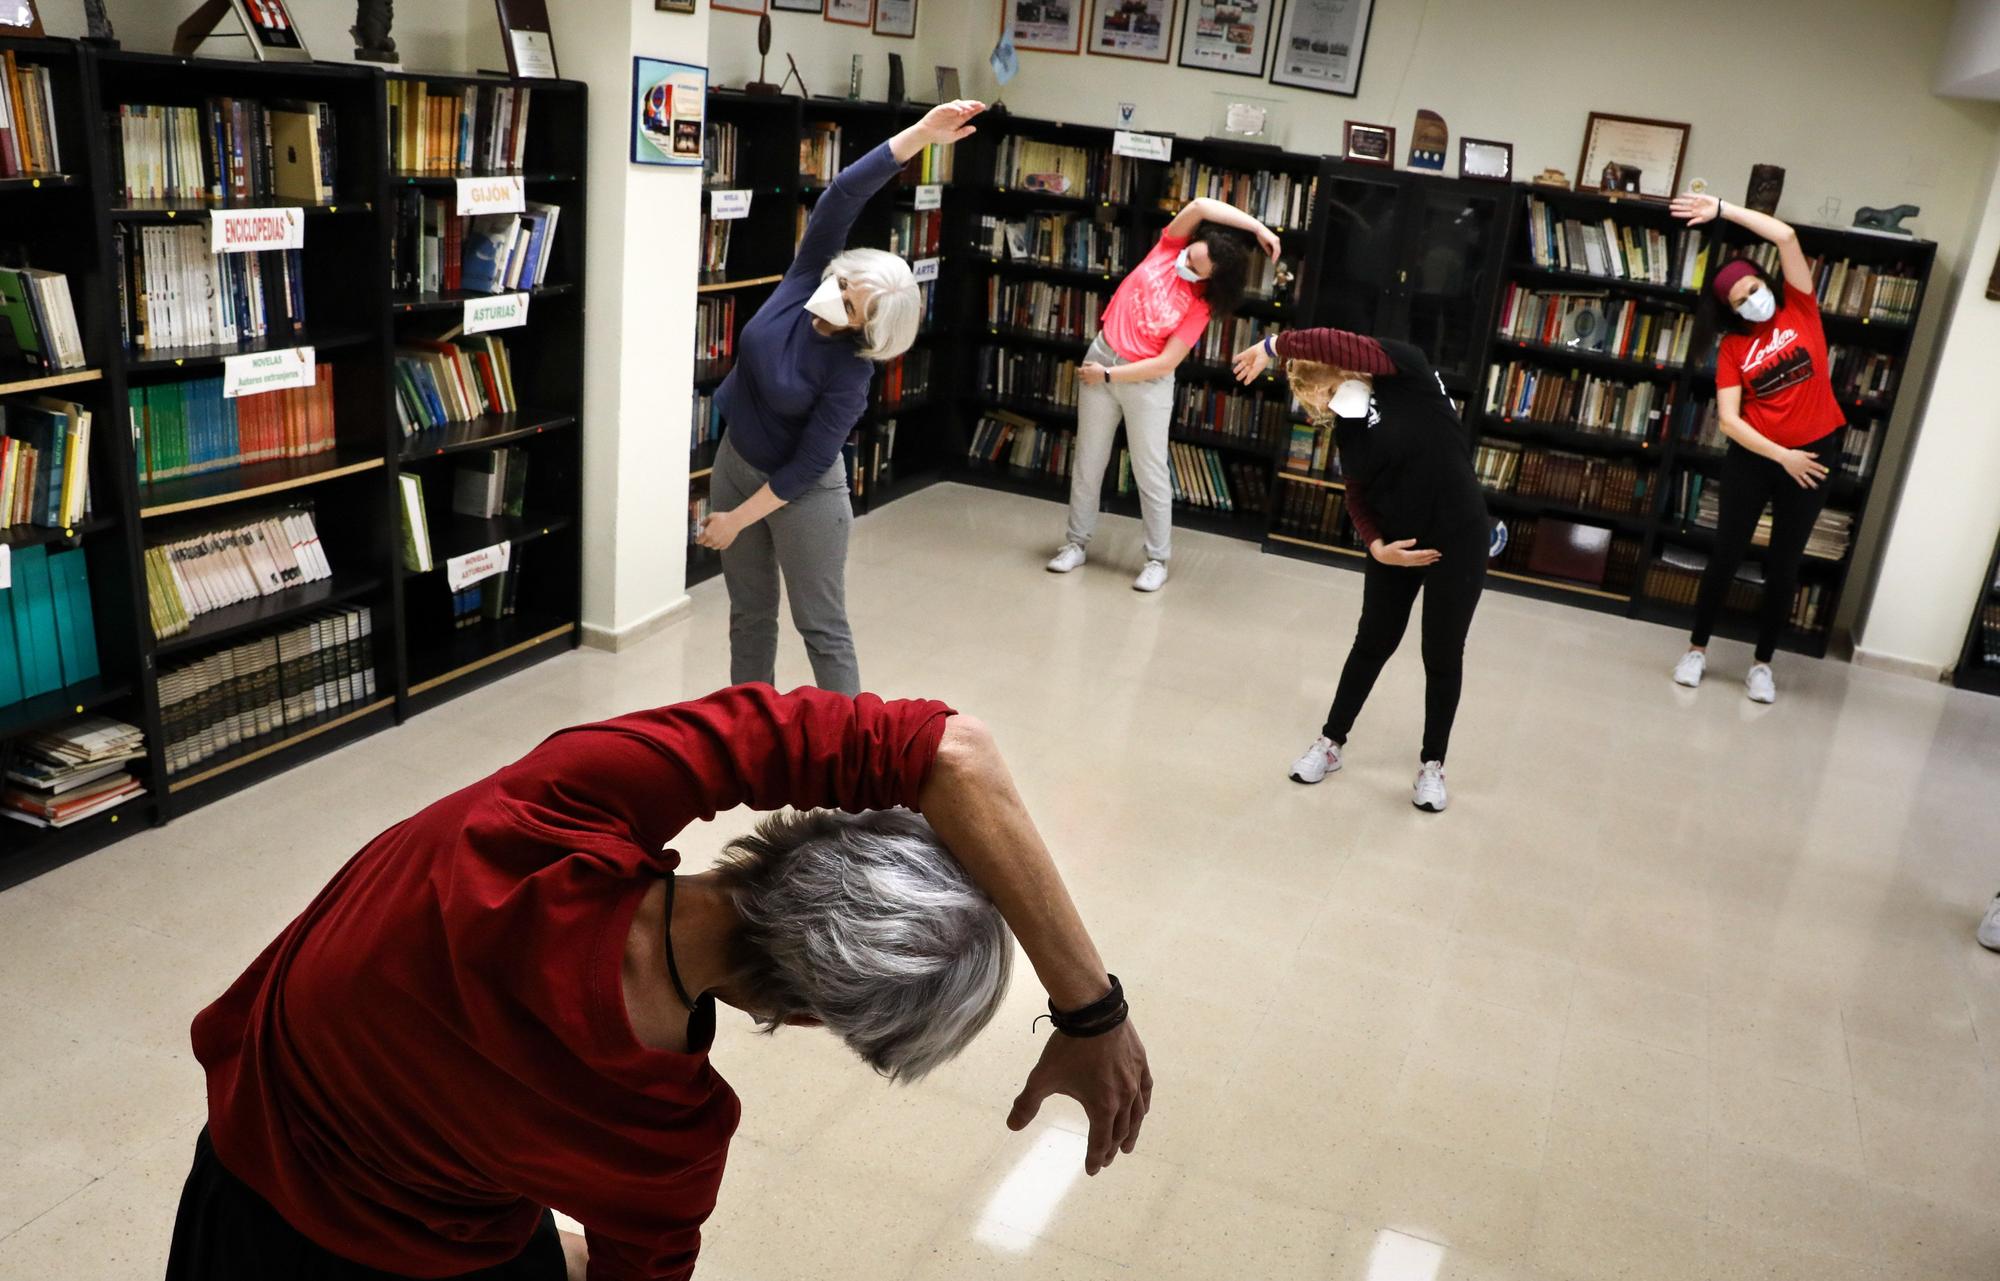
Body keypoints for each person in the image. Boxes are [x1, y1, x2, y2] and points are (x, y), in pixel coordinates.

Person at [167, 683, 1150, 1281]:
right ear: (808, 1017)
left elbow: (951, 752)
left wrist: (1090, 1013)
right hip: (419, 1268)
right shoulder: (663, 1155)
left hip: (238, 1194)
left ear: (804, 827)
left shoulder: (557, 804)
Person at [697, 101, 987, 694]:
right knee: (749, 617)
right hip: (736, 461)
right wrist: (920, 136)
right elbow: (843, 195)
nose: (835, 295)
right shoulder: (810, 274)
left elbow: (806, 464)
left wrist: (736, 521)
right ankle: (747, 731)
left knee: (821, 627)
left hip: (803, 493)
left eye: (849, 303)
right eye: (843, 282)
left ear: (866, 328)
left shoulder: (851, 373)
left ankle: (851, 757)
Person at [1233, 326, 1488, 812]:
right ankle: (1331, 743)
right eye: (1317, 400)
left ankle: (1432, 765)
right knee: (1373, 641)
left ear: (1342, 369)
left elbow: (1334, 341)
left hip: (1459, 537)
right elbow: (1357, 494)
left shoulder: (1406, 368)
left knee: (1441, 651)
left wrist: (1271, 346)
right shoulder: (1348, 426)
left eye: (1327, 389)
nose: (1326, 403)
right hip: (1396, 545)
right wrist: (1376, 547)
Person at [1044, 197, 1278, 592]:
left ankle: (1157, 559)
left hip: (1142, 382)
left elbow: (1165, 363)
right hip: (1101, 360)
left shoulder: (1200, 306)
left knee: (1150, 472)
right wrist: (1259, 228)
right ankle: (1075, 544)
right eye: (1189, 252)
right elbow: (1202, 205)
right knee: (1088, 461)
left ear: (1210, 278)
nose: (1184, 262)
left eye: (1196, 265)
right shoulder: (1168, 249)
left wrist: (1109, 376)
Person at [1667, 194, 1843, 704]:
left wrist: (1721, 207)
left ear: (1768, 283)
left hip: (1814, 454)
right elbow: (1728, 420)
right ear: (1729, 309)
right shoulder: (1733, 349)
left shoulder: (1802, 310)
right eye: (1741, 299)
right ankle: (1697, 651)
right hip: (1758, 457)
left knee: (1784, 565)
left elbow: (1786, 237)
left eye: (1755, 288)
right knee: (1725, 555)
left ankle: (1762, 665)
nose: (1754, 300)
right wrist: (1780, 455)